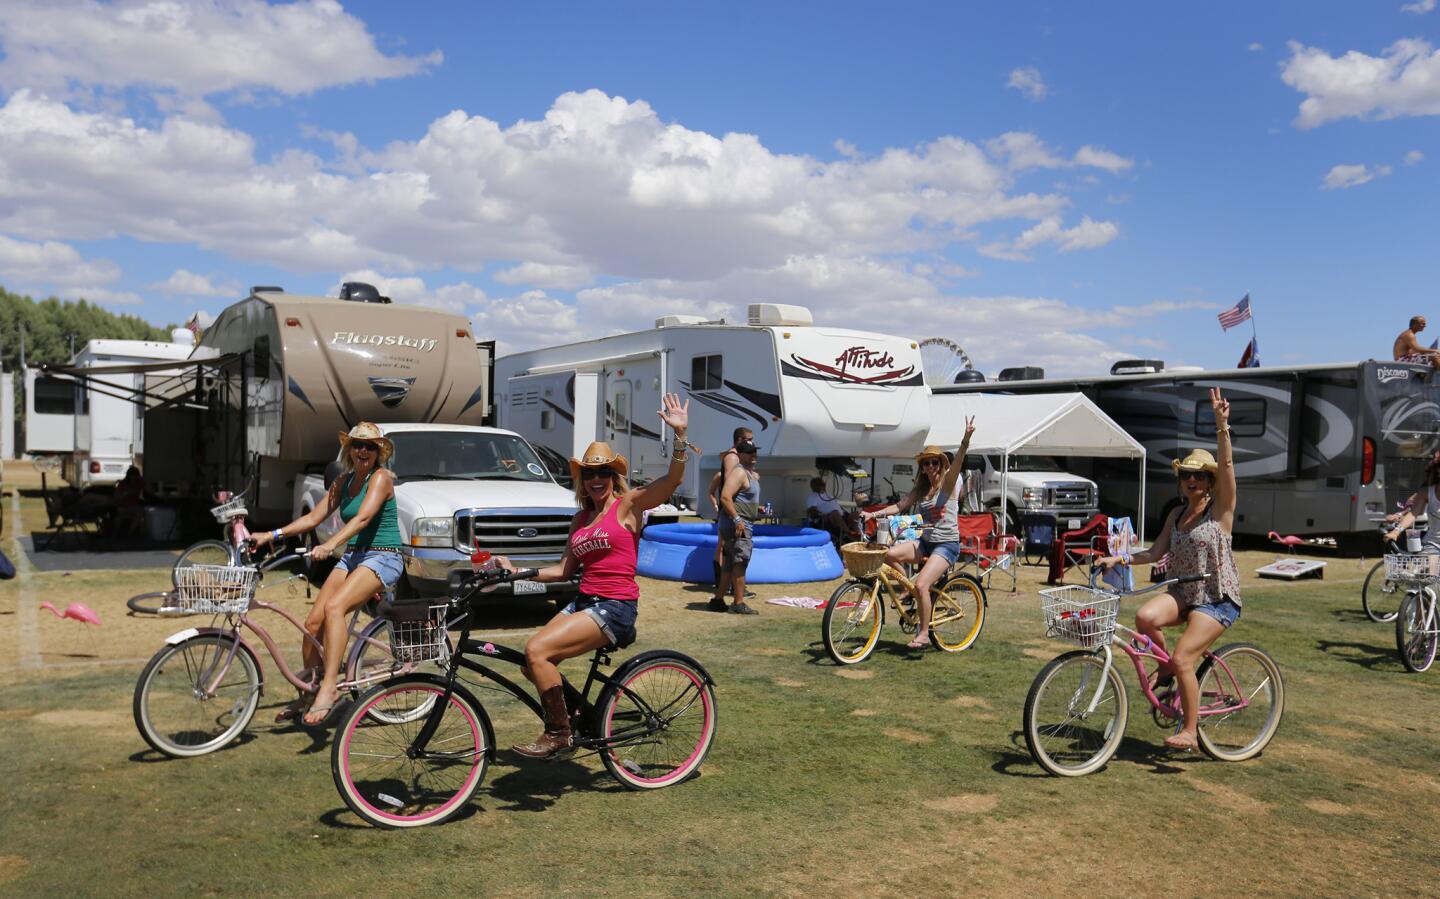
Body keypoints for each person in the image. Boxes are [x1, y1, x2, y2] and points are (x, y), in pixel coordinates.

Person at [495, 394, 692, 758]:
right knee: (532, 662)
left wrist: (679, 436)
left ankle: (559, 734)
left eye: (604, 472)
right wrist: (514, 574)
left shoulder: (628, 506)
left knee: (537, 651)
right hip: (585, 601)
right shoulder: (580, 521)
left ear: (614, 476)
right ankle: (578, 717)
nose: (597, 478)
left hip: (615, 606)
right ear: (581, 480)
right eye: (589, 473)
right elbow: (561, 571)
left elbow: (672, 480)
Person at [1097, 387, 1240, 752]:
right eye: (1186, 476)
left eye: (1198, 476)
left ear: (1209, 482)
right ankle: (1166, 669)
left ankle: (1190, 730)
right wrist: (1120, 558)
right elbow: (1155, 553)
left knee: (1184, 658)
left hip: (1216, 599)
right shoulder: (1177, 515)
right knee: (1145, 618)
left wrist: (1222, 426)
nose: (1191, 480)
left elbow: (1226, 468)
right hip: (1183, 593)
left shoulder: (1220, 511)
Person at [250, 422, 403, 726]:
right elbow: (312, 518)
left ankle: (330, 688)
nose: (363, 451)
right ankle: (309, 692)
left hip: (383, 556)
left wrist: (331, 543)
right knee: (313, 623)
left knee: (335, 609)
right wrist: (271, 533)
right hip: (354, 557)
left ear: (378, 453)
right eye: (358, 445)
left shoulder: (382, 478)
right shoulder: (343, 483)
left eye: (370, 447)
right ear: (349, 450)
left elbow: (363, 518)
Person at [860, 418, 975, 649]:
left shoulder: (948, 484)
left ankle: (923, 633)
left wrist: (965, 441)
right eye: (926, 463)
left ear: (941, 465)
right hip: (925, 540)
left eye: (935, 463)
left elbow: (959, 463)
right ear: (922, 467)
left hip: (946, 545)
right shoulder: (922, 488)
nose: (931, 467)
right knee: (889, 555)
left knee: (922, 584)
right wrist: (874, 514)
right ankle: (907, 589)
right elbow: (900, 506)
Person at [711, 440, 761, 615]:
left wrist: (757, 509)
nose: (753, 455)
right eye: (749, 452)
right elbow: (725, 497)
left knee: (730, 563)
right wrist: (738, 519)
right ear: (739, 455)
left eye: (755, 451)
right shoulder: (739, 472)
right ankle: (738, 603)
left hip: (737, 523)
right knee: (740, 563)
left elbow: (742, 498)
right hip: (738, 525)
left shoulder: (749, 474)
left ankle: (717, 600)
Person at [707, 427, 753, 586]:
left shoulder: (734, 456)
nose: (752, 443)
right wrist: (734, 514)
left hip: (731, 508)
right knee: (724, 546)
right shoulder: (732, 457)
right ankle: (724, 586)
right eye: (749, 439)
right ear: (740, 440)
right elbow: (729, 485)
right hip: (730, 509)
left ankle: (724, 586)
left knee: (725, 546)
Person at [1383, 452, 1440, 550]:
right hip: (1432, 544)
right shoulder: (1426, 493)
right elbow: (1413, 513)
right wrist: (1396, 531)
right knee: (1431, 564)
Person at [806, 476, 857, 544]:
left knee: (856, 514)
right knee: (835, 513)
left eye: (823, 484)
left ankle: (859, 535)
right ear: (815, 487)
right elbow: (813, 512)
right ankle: (849, 534)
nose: (823, 486)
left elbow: (835, 505)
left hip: (841, 516)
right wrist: (823, 514)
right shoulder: (812, 497)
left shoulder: (828, 494)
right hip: (827, 519)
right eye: (821, 485)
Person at [110, 465, 147, 539]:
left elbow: (147, 487)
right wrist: (126, 494)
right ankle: (114, 534)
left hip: (133, 505)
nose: (133, 478)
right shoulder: (123, 484)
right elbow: (116, 498)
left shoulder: (139, 483)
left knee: (140, 512)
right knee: (120, 515)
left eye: (135, 476)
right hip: (122, 505)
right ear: (128, 476)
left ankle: (130, 533)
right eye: (132, 476)